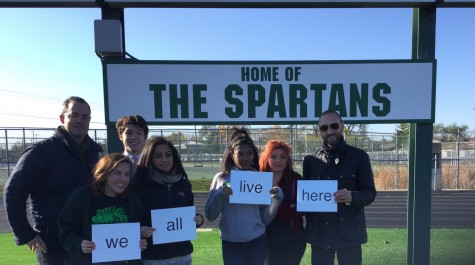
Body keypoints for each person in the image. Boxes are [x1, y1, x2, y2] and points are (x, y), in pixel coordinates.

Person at [3, 96, 103, 265]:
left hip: (87, 240)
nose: (80, 120)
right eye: (74, 115)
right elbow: (13, 191)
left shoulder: (93, 153)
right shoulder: (42, 152)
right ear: (63, 118)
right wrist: (25, 233)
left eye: (85, 117)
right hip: (53, 243)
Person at [303, 110, 377, 265]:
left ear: (342, 126)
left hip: (349, 235)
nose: (329, 131)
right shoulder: (310, 160)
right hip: (320, 236)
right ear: (319, 131)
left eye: (334, 126)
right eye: (324, 128)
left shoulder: (359, 157)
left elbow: (370, 193)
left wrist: (352, 197)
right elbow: (307, 198)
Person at [205, 128, 283, 265]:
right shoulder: (221, 178)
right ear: (231, 154)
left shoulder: (260, 180)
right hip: (231, 245)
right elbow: (210, 214)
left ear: (254, 155)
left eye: (249, 153)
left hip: (257, 243)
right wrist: (220, 194)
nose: (245, 158)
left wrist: (276, 200)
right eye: (240, 153)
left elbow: (264, 219)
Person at [58, 153, 148, 265]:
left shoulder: (133, 199)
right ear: (105, 173)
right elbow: (65, 230)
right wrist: (79, 244)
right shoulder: (81, 197)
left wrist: (140, 239)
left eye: (127, 174)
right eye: (117, 173)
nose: (123, 179)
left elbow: (139, 228)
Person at [133, 136, 202, 265]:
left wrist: (197, 220)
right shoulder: (139, 186)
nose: (164, 160)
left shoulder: (183, 184)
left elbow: (187, 216)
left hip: (183, 255)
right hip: (153, 258)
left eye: (168, 155)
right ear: (149, 158)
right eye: (158, 156)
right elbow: (131, 219)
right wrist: (139, 230)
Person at [259, 140, 306, 265]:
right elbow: (257, 212)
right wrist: (289, 206)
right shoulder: (259, 179)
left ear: (287, 159)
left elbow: (301, 209)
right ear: (267, 159)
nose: (278, 160)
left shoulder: (296, 179)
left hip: (293, 240)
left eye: (282, 157)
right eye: (273, 157)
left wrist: (274, 210)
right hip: (266, 240)